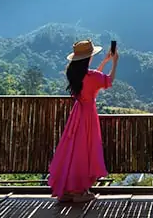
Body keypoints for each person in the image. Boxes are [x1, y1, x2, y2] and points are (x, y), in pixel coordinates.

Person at [47, 39, 119, 203]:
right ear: (88, 58)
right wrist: (115, 62)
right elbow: (108, 81)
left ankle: (67, 189)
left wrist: (105, 61)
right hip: (88, 116)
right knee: (85, 150)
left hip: (77, 115)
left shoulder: (76, 75)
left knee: (72, 150)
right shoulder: (91, 76)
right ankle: (79, 191)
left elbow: (94, 79)